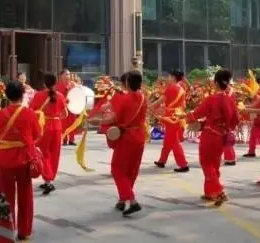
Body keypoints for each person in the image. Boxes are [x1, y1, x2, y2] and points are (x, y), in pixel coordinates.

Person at [0, 81, 41, 241]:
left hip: (4, 159)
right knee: (26, 194)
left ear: (6, 95)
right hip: (24, 157)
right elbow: (37, 135)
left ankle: (6, 230)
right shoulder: (30, 114)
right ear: (23, 94)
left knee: (5, 195)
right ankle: (25, 231)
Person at [88, 71, 147, 216]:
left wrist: (96, 121)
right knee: (131, 171)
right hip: (139, 135)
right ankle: (122, 200)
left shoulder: (124, 99)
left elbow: (111, 119)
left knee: (117, 170)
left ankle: (132, 201)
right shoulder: (143, 97)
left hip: (126, 137)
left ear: (126, 83)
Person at [184, 68, 238, 206]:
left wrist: (187, 117)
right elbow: (235, 119)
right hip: (221, 136)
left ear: (216, 83)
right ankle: (210, 193)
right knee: (215, 165)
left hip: (209, 135)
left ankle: (219, 191)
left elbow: (197, 113)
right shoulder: (230, 100)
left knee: (206, 164)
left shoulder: (212, 99)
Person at [30, 73, 67, 195]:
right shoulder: (60, 96)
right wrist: (55, 116)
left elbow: (32, 112)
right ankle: (49, 179)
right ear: (55, 83)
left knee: (44, 153)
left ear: (44, 83)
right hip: (57, 126)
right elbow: (65, 114)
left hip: (44, 127)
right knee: (54, 153)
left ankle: (48, 179)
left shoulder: (38, 95)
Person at [153, 69, 189, 172]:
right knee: (168, 141)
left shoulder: (171, 88)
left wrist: (149, 106)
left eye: (169, 76)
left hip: (171, 118)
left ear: (173, 77)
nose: (167, 78)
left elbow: (160, 101)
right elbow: (183, 105)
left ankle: (183, 164)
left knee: (173, 142)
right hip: (178, 117)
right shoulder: (182, 89)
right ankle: (162, 161)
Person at [244, 77, 260, 158]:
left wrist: (244, 107)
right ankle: (251, 151)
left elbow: (254, 105)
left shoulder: (259, 93)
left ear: (259, 84)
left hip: (259, 115)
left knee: (259, 135)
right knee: (253, 134)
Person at [56, 69, 76, 146]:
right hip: (63, 107)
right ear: (61, 76)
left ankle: (71, 139)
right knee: (63, 123)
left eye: (69, 74)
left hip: (72, 106)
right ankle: (64, 139)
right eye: (66, 74)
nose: (68, 76)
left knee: (72, 123)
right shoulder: (58, 86)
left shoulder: (72, 84)